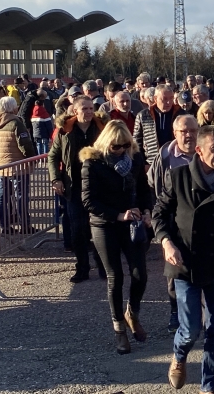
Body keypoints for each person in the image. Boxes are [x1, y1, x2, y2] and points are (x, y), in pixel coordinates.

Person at [154, 125, 214, 393]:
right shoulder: (178, 176)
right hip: (184, 263)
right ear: (199, 150)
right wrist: (166, 242)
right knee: (191, 329)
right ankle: (179, 356)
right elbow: (159, 213)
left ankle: (209, 386)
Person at [80, 120, 153, 355]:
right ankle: (119, 330)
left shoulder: (134, 158)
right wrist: (119, 215)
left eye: (126, 145)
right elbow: (89, 201)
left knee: (140, 273)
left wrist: (147, 209)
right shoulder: (92, 163)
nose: (121, 150)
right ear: (106, 144)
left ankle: (132, 313)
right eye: (116, 147)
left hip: (131, 221)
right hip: (105, 223)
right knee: (115, 276)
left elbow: (143, 188)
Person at [147, 115, 199, 334]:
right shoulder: (166, 155)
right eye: (183, 131)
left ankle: (205, 316)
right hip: (172, 220)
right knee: (174, 269)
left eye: (193, 131)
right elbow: (152, 182)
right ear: (175, 133)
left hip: (200, 221)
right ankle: (175, 312)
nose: (188, 135)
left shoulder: (206, 153)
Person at [48, 96, 108, 282]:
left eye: (91, 108)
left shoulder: (102, 128)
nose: (89, 112)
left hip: (98, 187)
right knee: (77, 229)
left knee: (99, 227)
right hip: (73, 187)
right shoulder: (65, 131)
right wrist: (55, 179)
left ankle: (103, 266)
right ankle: (81, 267)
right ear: (75, 111)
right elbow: (53, 157)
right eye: (85, 109)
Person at [0, 96, 37, 234]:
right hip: (19, 166)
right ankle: (25, 225)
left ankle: (5, 226)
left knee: (3, 197)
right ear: (12, 108)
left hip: (1, 166)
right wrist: (32, 159)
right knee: (21, 196)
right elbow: (25, 145)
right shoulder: (16, 123)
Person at [134, 85, 186, 165]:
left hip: (176, 161)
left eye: (171, 98)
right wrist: (143, 164)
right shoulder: (143, 115)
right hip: (152, 162)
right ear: (155, 99)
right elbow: (137, 142)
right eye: (164, 99)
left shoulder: (181, 114)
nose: (168, 102)